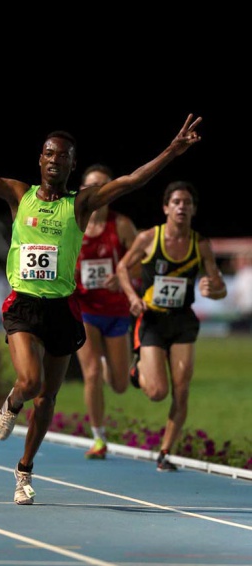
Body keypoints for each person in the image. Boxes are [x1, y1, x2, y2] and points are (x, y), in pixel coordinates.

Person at [0, 103, 202, 504]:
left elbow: (131, 181)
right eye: (49, 153)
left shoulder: (80, 204)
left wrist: (171, 151)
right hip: (23, 304)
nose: (55, 159)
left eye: (63, 155)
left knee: (47, 399)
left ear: (73, 164)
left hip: (62, 310)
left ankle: (24, 471)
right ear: (40, 159)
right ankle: (12, 401)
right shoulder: (18, 194)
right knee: (30, 382)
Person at [116, 181, 227, 472]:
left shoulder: (200, 244)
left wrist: (212, 289)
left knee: (181, 388)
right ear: (166, 207)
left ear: (194, 210)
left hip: (182, 321)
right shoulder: (149, 238)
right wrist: (132, 298)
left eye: (187, 203)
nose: (181, 207)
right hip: (152, 319)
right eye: (176, 202)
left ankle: (165, 452)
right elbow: (122, 268)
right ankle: (137, 370)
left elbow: (220, 289)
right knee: (157, 392)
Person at [74, 164, 139, 459]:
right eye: (91, 185)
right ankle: (98, 439)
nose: (97, 191)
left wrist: (122, 276)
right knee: (91, 374)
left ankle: (105, 362)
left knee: (120, 385)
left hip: (116, 311)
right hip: (84, 309)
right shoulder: (73, 224)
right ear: (82, 190)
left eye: (102, 185)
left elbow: (141, 262)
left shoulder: (121, 225)